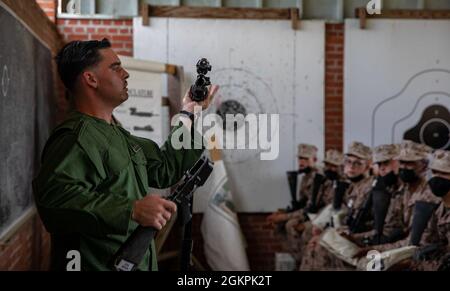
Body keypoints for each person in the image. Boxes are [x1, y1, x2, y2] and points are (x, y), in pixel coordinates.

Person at [32, 39, 219, 271]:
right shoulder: (76, 138)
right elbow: (54, 201)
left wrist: (189, 112)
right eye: (115, 67)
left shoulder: (118, 135)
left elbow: (164, 169)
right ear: (91, 79)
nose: (125, 73)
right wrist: (131, 209)